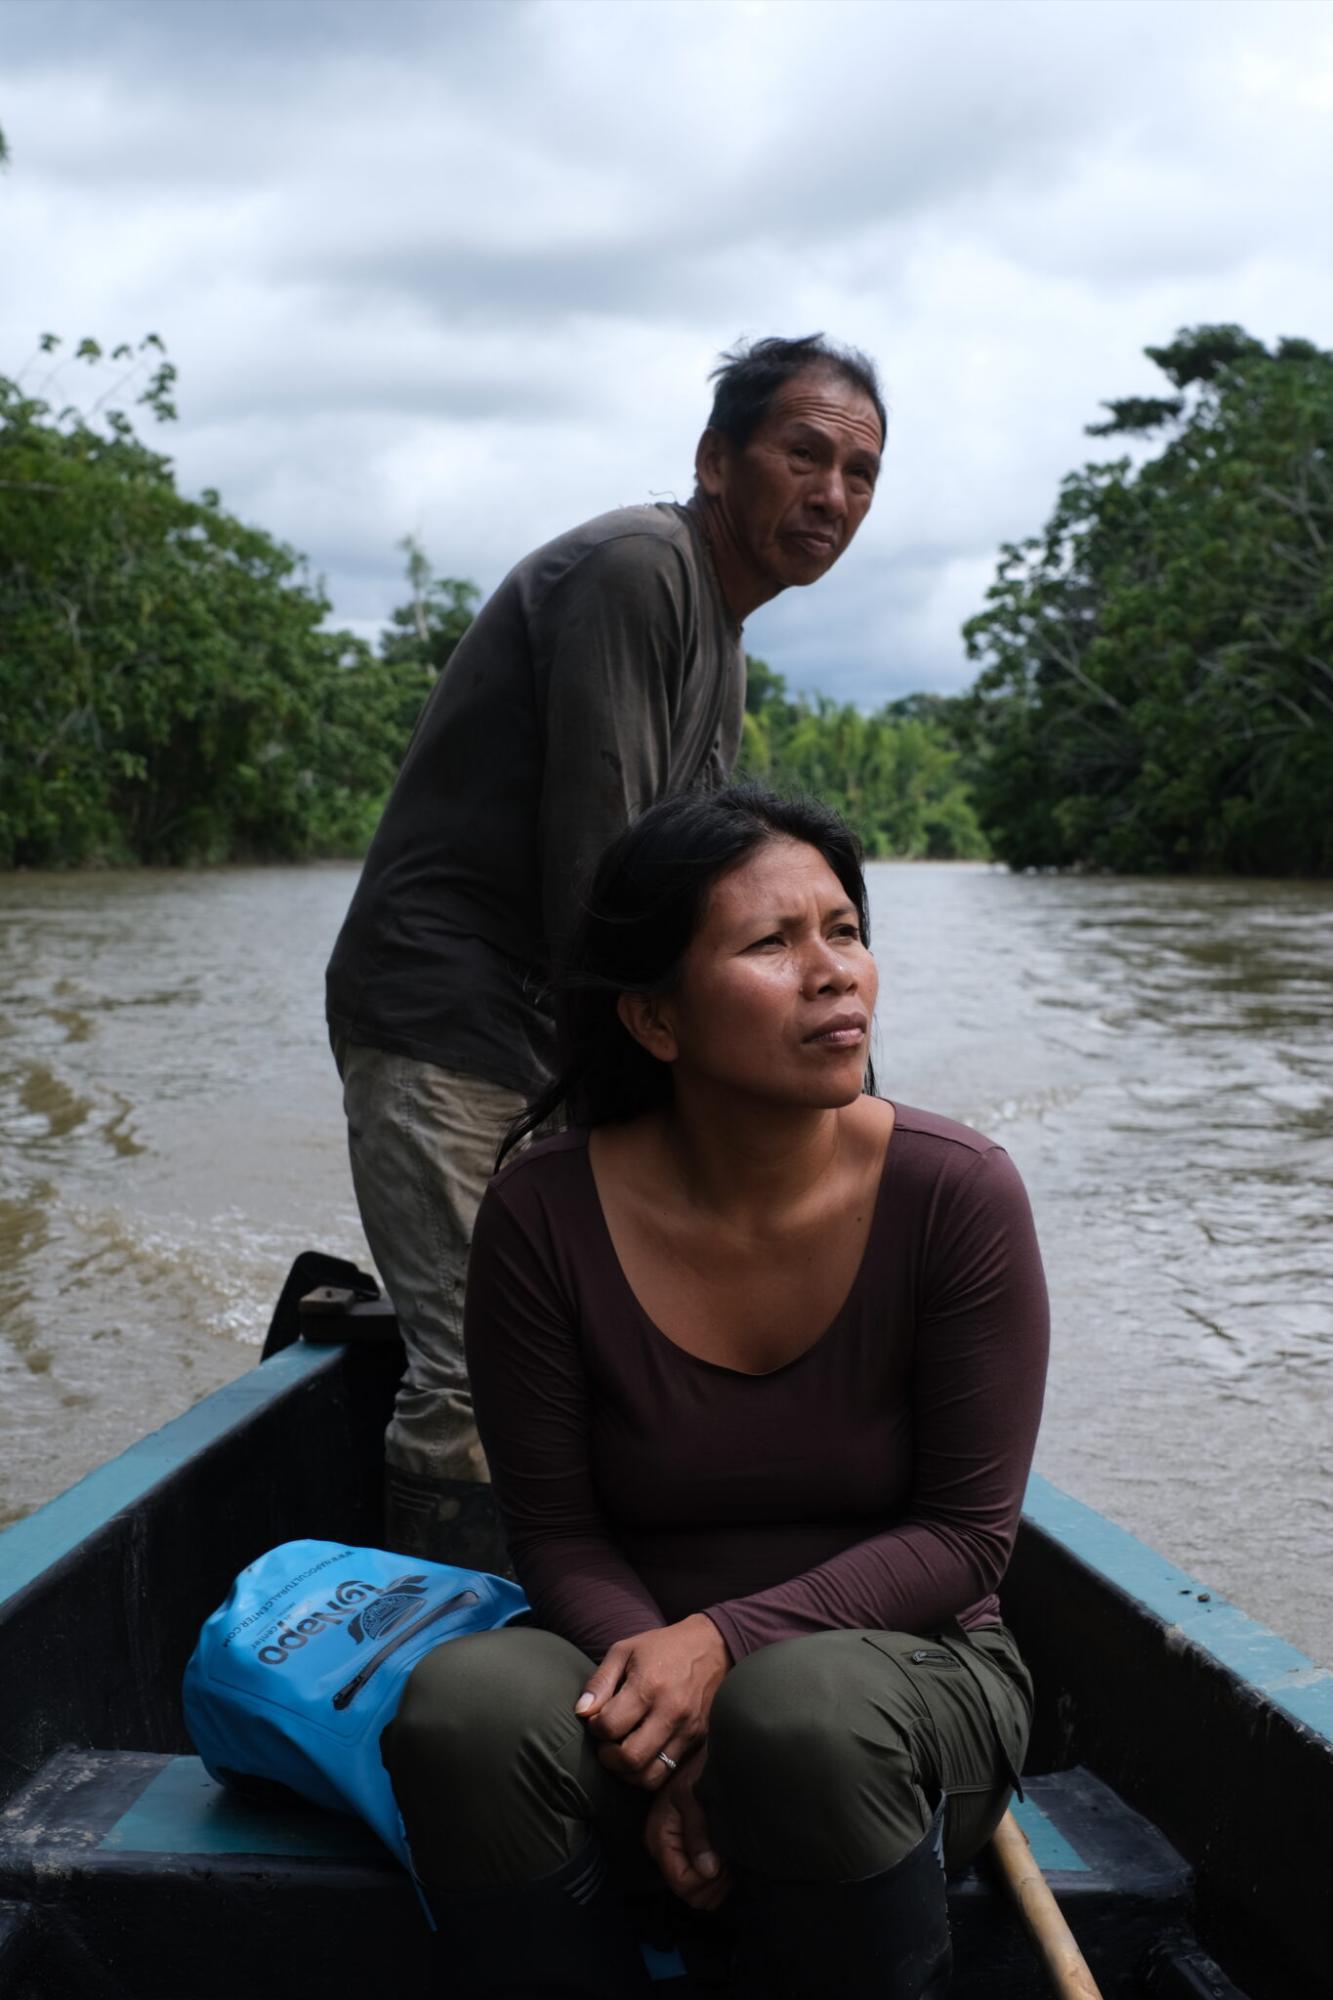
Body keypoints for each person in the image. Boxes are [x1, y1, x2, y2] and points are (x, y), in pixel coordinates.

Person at [379, 786, 1050, 1998]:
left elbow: (965, 1536)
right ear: (654, 1018)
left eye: (844, 929)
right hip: (627, 1662)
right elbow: (559, 1528)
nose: (833, 972)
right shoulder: (543, 1211)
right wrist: (669, 1694)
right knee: (465, 1706)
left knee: (798, 1715)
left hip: (899, 1682)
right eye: (770, 943)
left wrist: (724, 1653)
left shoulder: (957, 1194)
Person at [325, 336, 886, 1563]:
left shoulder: (722, 639)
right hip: (449, 1016)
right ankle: (439, 1676)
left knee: (587, 1344)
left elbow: (699, 897)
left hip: (549, 1026)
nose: (832, 494)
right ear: (714, 460)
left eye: (859, 472)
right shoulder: (641, 572)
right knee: (479, 1368)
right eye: (804, 454)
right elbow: (608, 883)